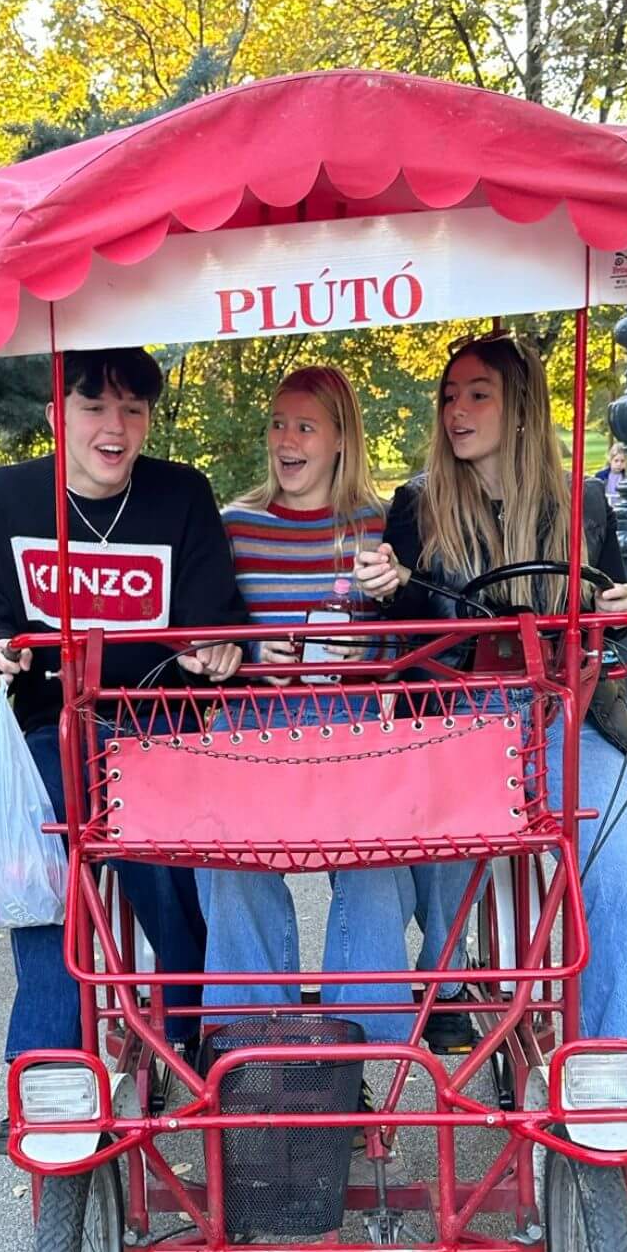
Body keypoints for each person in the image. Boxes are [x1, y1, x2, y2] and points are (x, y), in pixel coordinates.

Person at [354, 329, 627, 1154]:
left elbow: (607, 628)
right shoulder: (418, 506)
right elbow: (403, 644)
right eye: (449, 395)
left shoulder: (582, 503)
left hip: (564, 718)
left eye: (478, 394)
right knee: (382, 866)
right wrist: (390, 591)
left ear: (518, 407)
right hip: (455, 730)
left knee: (625, 861)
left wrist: (611, 613)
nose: (457, 410)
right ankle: (365, 1067)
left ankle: (624, 1072)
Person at [0, 345, 245, 1152]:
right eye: (94, 407)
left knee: (164, 858)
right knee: (51, 860)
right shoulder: (11, 496)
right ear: (58, 415)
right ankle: (48, 1066)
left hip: (155, 726)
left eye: (132, 411)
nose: (114, 427)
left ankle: (189, 1030)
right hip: (51, 725)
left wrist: (214, 653)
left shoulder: (180, 495)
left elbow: (217, 621)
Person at [195, 365, 470, 1046]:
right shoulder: (236, 525)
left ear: (341, 438)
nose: (286, 440)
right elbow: (210, 637)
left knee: (376, 877)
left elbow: (411, 635)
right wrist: (255, 662)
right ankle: (258, 1052)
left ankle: (359, 1058)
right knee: (232, 877)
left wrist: (366, 658)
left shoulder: (382, 524)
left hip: (352, 735)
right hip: (255, 735)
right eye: (278, 424)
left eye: (305, 427)